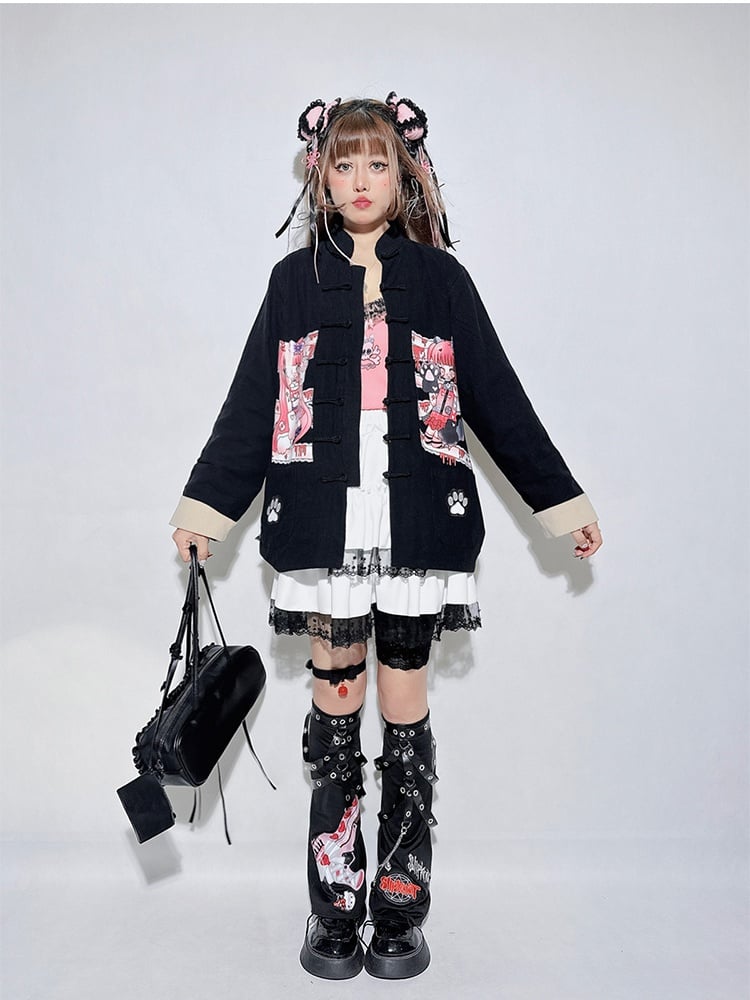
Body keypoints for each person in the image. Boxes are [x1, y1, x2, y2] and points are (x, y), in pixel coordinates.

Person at [170, 93, 602, 981]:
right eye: (344, 164)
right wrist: (206, 510)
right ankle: (334, 907)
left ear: (406, 175)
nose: (361, 180)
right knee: (336, 704)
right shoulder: (292, 282)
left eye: (378, 163)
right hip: (320, 517)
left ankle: (401, 902)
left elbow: (497, 400)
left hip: (419, 517)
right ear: (319, 177)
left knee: (404, 705)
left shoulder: (442, 280)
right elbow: (253, 406)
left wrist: (560, 504)